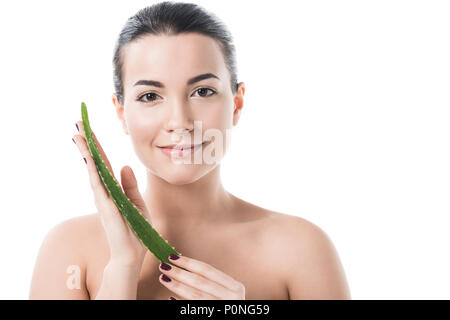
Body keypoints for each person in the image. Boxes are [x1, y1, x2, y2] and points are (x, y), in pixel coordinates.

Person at [29, 1, 351, 300]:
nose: (180, 122)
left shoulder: (303, 251)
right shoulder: (67, 250)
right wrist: (122, 271)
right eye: (150, 97)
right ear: (121, 112)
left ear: (237, 104)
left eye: (203, 91)